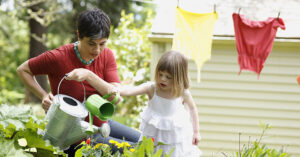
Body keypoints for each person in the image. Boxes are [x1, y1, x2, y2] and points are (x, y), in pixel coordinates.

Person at [16, 8, 140, 156]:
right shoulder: (58, 57)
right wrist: (43, 95)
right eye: (92, 44)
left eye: (102, 44)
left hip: (102, 125)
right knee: (136, 151)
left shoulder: (107, 55)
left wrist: (89, 75)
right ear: (79, 35)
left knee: (146, 142)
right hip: (74, 137)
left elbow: (115, 97)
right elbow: (23, 70)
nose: (97, 51)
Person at [119, 50, 202, 156]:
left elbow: (192, 109)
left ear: (179, 78)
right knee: (149, 152)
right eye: (160, 74)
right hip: (153, 133)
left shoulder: (182, 93)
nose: (163, 79)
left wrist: (196, 132)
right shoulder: (152, 88)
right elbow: (130, 91)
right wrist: (117, 90)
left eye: (168, 77)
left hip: (174, 136)